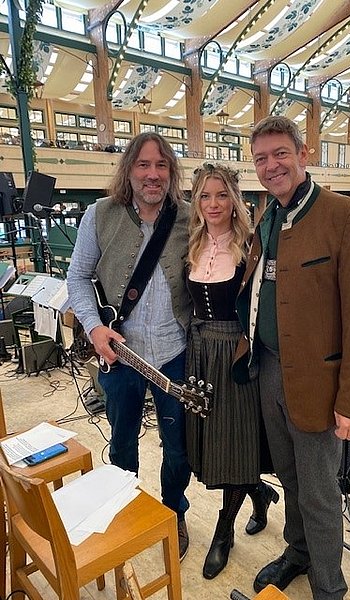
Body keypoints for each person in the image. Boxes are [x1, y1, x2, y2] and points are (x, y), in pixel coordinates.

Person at [233, 116, 350, 599]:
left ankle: (329, 588)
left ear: (303, 154)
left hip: (321, 382)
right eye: (261, 158)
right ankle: (298, 552)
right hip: (269, 370)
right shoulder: (268, 217)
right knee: (291, 478)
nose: (271, 166)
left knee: (319, 494)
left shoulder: (345, 216)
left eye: (280, 153)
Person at [67, 132, 192, 560]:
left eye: (161, 165)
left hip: (175, 353)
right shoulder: (99, 214)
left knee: (178, 448)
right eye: (143, 165)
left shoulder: (189, 217)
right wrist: (93, 328)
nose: (152, 174)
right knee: (122, 443)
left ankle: (174, 511)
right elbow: (77, 277)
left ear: (171, 172)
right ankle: (124, 508)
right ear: (129, 170)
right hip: (119, 355)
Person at [185, 162, 277, 580]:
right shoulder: (191, 243)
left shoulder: (251, 246)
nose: (213, 203)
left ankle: (223, 532)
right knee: (210, 446)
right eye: (205, 195)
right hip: (199, 351)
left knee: (233, 445)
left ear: (235, 200)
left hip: (235, 353)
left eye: (222, 195)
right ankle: (258, 492)